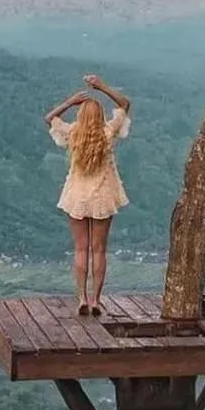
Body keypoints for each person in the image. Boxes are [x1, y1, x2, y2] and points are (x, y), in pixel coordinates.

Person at [43, 73, 131, 316]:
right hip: (103, 196)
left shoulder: (74, 134)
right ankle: (95, 300)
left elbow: (49, 119)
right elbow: (125, 105)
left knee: (81, 249)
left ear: (80, 116)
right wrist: (102, 86)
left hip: (77, 198)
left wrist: (70, 102)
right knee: (99, 250)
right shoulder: (107, 133)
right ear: (101, 116)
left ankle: (81, 297)